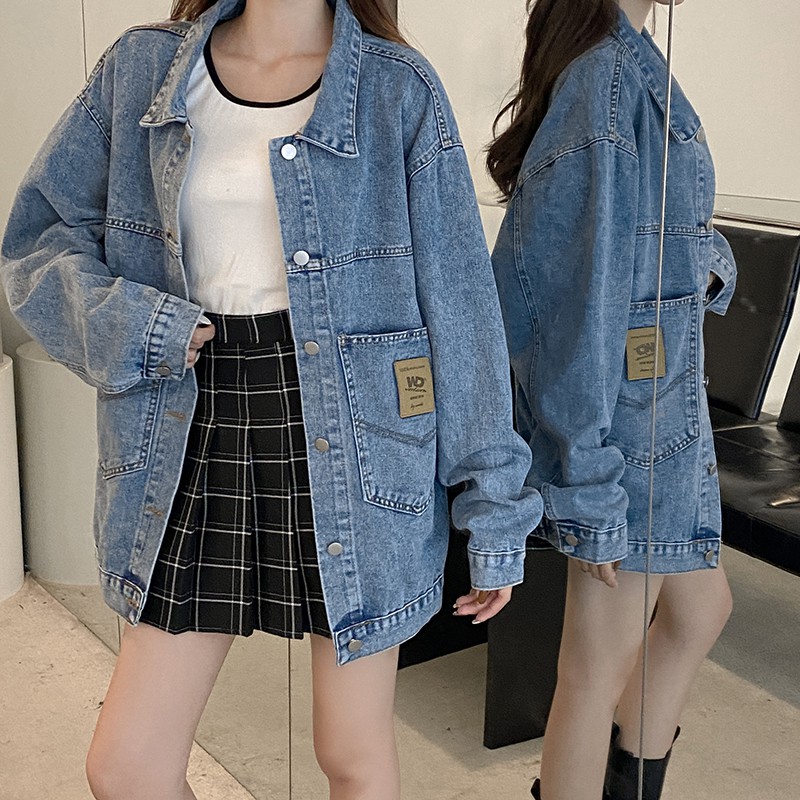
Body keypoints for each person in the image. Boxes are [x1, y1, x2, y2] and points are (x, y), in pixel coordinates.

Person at [1, 1, 543, 797]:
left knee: (349, 752)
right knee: (127, 767)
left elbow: (461, 309)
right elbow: (39, 238)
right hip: (189, 418)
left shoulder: (396, 89)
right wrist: (140, 326)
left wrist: (493, 507)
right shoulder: (142, 70)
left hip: (355, 437)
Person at [487, 1, 737, 798]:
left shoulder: (622, 63)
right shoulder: (606, 79)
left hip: (659, 412)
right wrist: (588, 479)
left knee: (700, 611)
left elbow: (648, 239)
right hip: (627, 426)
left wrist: (702, 271)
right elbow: (574, 304)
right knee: (594, 669)